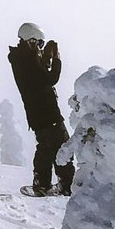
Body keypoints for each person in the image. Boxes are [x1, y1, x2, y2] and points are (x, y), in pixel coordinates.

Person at [7, 22, 75, 195]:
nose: (40, 47)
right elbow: (50, 79)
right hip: (47, 112)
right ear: (31, 41)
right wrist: (56, 59)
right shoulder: (27, 60)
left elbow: (39, 75)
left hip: (37, 114)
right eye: (39, 43)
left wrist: (45, 57)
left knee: (45, 148)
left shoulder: (21, 58)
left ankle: (42, 183)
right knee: (63, 147)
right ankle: (67, 185)